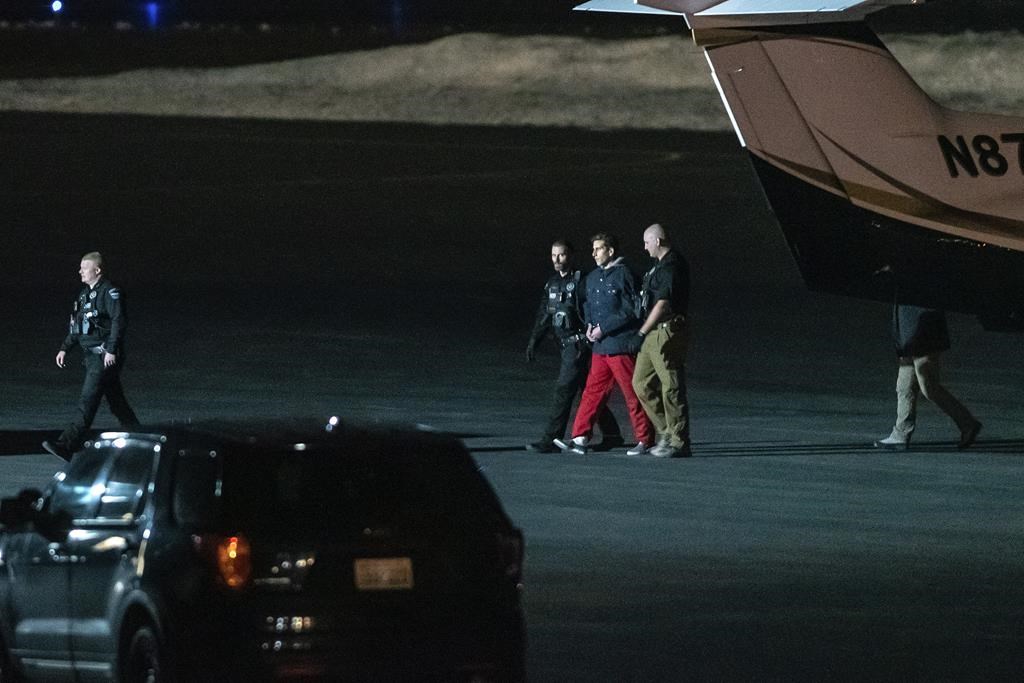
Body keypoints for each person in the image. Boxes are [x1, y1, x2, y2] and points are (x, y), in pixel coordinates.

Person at [555, 233, 654, 455]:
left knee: (632, 392)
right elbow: (588, 305)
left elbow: (631, 309)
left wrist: (604, 328)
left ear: (610, 251)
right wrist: (590, 325)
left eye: (598, 249)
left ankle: (645, 438)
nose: (594, 253)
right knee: (593, 391)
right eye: (593, 249)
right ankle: (580, 436)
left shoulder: (624, 274)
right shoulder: (593, 277)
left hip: (619, 346)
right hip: (600, 347)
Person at [525, 239, 623, 453]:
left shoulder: (582, 282)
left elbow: (594, 308)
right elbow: (545, 315)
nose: (557, 260)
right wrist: (535, 340)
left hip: (578, 346)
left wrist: (594, 334)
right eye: (553, 255)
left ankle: (551, 439)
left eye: (561, 255)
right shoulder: (552, 284)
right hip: (564, 346)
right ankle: (613, 434)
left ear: (571, 256)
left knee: (563, 391)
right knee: (587, 392)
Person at [42, 252, 141, 461]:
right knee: (117, 404)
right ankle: (141, 439)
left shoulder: (110, 292)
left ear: (97, 270)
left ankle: (67, 444)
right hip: (91, 357)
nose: (80, 272)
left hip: (103, 356)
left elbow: (118, 322)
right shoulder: (84, 295)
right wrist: (64, 348)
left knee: (87, 401)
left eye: (84, 268)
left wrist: (111, 350)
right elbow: (78, 326)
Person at [873, 304, 981, 451]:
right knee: (905, 383)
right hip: (910, 323)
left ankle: (967, 423)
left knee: (929, 385)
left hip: (923, 324)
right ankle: (901, 433)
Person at [632, 223, 692, 458]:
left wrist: (641, 332)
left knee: (671, 386)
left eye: (647, 242)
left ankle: (679, 441)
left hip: (666, 331)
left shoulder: (672, 266)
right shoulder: (657, 267)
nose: (645, 248)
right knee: (641, 383)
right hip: (653, 331)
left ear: (657, 241)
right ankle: (666, 432)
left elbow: (663, 303)